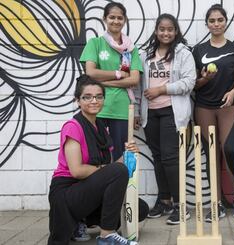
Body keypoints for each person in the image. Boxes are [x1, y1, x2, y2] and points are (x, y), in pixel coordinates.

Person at [48, 75, 148, 245]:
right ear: (77, 101)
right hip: (68, 194)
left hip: (89, 190)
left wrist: (127, 155)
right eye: (87, 97)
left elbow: (111, 169)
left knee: (140, 209)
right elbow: (77, 171)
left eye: (99, 96)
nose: (94, 101)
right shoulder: (73, 127)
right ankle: (106, 235)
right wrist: (108, 169)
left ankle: (83, 221)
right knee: (117, 172)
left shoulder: (101, 127)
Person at [135, 13, 196, 225]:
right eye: (162, 29)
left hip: (172, 111)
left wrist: (162, 89)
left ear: (176, 31)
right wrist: (135, 111)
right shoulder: (145, 54)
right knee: (158, 157)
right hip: (150, 113)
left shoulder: (183, 53)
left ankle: (181, 206)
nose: (166, 33)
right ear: (156, 30)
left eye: (170, 29)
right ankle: (165, 200)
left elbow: (189, 82)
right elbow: (138, 85)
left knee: (171, 158)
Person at [192, 3, 234, 221]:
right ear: (207, 24)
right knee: (211, 155)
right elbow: (194, 84)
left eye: (220, 20)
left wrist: (232, 92)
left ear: (225, 22)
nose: (216, 24)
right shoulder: (199, 50)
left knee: (230, 150)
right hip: (204, 108)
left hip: (228, 108)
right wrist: (205, 79)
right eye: (212, 21)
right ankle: (217, 204)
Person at [80, 2, 141, 161]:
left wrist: (105, 82)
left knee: (121, 156)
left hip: (121, 110)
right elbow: (91, 72)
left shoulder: (130, 49)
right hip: (97, 108)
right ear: (105, 19)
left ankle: (119, 187)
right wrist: (118, 74)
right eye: (112, 17)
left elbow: (133, 79)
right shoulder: (96, 43)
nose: (116, 21)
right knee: (95, 155)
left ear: (125, 20)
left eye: (120, 18)